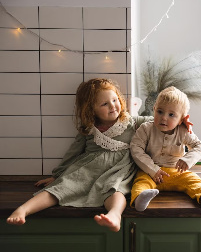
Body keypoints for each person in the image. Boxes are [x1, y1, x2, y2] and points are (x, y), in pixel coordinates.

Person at [6, 78, 152, 232]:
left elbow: (156, 121)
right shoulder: (89, 129)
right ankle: (24, 209)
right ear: (91, 109)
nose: (113, 106)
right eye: (104, 104)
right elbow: (72, 153)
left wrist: (179, 118)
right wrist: (57, 175)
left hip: (119, 169)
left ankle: (114, 216)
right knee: (63, 186)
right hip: (89, 168)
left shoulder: (132, 122)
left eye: (115, 100)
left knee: (115, 189)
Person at [130, 86, 201, 211]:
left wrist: (188, 160)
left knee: (192, 179)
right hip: (150, 173)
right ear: (154, 109)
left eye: (171, 115)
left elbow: (199, 146)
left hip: (175, 172)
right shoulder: (146, 128)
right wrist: (152, 169)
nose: (164, 117)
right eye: (160, 111)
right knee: (140, 182)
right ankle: (140, 198)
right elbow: (136, 148)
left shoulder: (183, 131)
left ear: (182, 119)